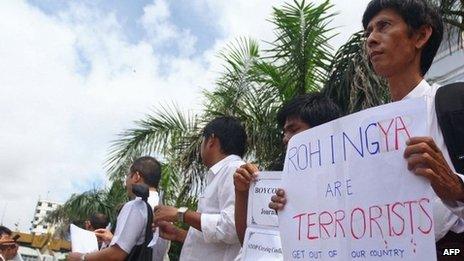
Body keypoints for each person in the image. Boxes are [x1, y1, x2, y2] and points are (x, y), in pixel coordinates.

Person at [270, 0, 464, 258]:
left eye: (383, 26)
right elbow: (347, 206)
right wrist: (295, 204)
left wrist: (456, 188)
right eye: (367, 32)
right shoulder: (363, 131)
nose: (371, 39)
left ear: (420, 35)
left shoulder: (455, 103)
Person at [233, 93, 341, 244]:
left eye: (294, 130)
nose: (285, 138)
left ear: (322, 129)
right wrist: (241, 192)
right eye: (284, 132)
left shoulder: (349, 179)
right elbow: (248, 241)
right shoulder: (277, 184)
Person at [153, 116, 247, 261]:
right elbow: (215, 242)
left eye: (202, 141)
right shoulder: (221, 174)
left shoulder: (234, 170)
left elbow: (231, 228)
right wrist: (178, 234)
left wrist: (180, 214)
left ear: (211, 140)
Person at [68, 156, 169, 261]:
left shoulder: (136, 206)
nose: (126, 182)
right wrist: (113, 239)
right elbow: (143, 246)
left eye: (128, 176)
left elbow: (116, 255)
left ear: (136, 176)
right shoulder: (165, 211)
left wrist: (82, 257)